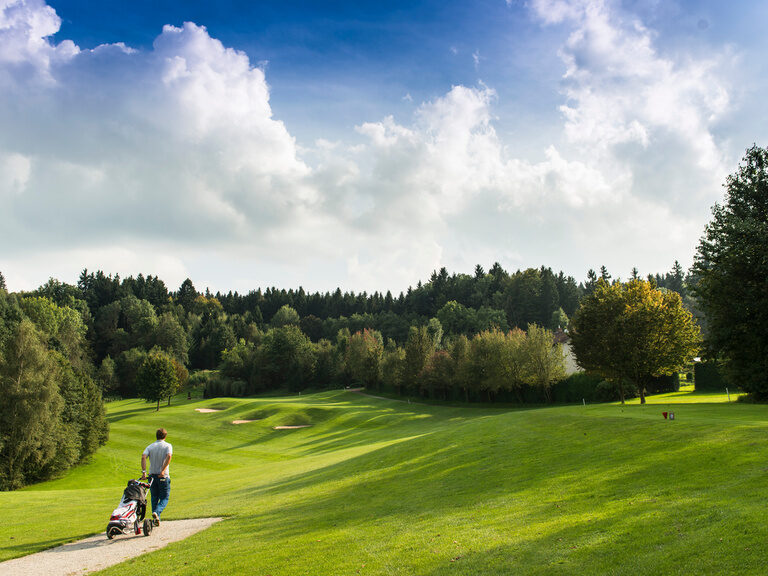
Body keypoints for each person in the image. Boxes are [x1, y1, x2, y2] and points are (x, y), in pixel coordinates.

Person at [140, 428, 173, 526]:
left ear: (156, 436)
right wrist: (162, 470)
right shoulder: (168, 446)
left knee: (154, 497)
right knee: (164, 497)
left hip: (152, 475)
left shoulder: (150, 446)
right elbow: (169, 456)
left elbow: (143, 457)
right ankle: (157, 513)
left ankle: (156, 520)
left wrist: (144, 472)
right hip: (163, 475)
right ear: (165, 436)